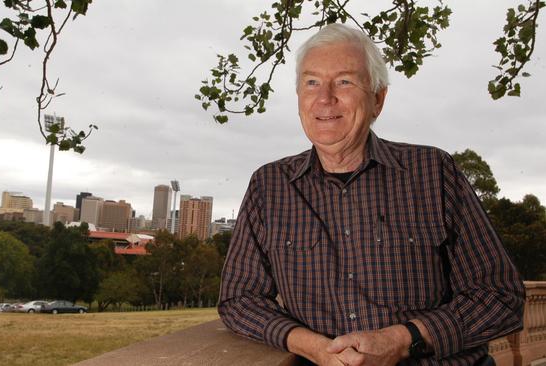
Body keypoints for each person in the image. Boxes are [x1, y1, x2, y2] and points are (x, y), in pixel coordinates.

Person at [218, 23, 525, 366]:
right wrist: (311, 347)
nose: (325, 98)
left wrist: (403, 340)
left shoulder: (433, 172)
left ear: (378, 99)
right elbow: (238, 300)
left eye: (345, 81)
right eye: (312, 82)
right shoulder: (269, 186)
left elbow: (501, 297)